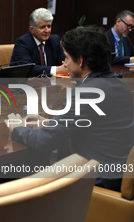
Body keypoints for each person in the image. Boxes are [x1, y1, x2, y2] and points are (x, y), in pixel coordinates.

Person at [11, 26, 134, 191]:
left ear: (80, 61)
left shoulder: (86, 93)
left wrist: (17, 129)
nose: (65, 63)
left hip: (95, 185)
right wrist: (50, 122)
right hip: (116, 177)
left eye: (67, 57)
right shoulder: (122, 86)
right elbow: (95, 124)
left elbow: (43, 142)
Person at [10, 8, 67, 77]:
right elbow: (27, 69)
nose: (47, 30)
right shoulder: (23, 42)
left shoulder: (54, 40)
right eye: (42, 27)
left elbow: (63, 62)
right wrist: (55, 70)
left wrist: (66, 65)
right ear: (32, 29)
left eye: (49, 26)